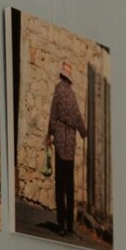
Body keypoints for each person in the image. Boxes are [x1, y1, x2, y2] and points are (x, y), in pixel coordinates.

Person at [45, 61, 86, 236]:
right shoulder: (71, 95)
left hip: (60, 143)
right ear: (69, 78)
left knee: (60, 186)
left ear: (61, 75)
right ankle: (70, 224)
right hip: (70, 144)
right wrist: (84, 132)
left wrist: (49, 134)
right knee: (69, 186)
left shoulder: (58, 90)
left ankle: (61, 224)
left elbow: (53, 115)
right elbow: (77, 117)